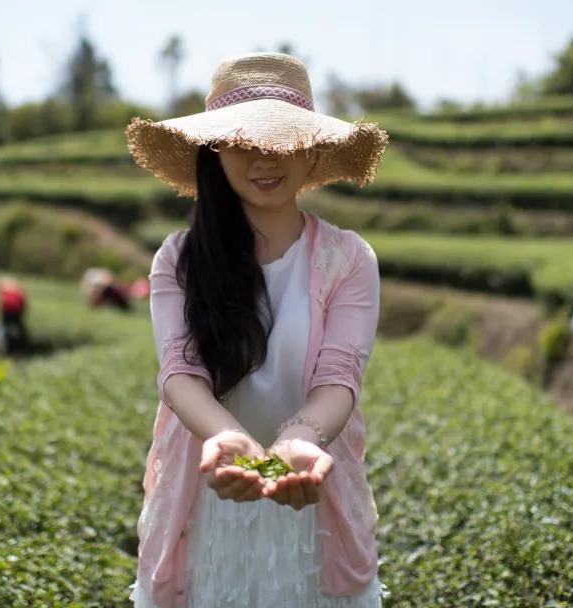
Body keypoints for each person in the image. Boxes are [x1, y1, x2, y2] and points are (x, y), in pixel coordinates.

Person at [125, 52, 389, 607]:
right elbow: (179, 372)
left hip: (311, 492)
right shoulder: (180, 258)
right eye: (241, 142)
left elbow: (339, 377)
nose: (264, 159)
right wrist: (227, 439)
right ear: (214, 152)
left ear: (313, 150)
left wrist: (297, 439)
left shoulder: (347, 259)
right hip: (207, 498)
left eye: (284, 141)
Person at [0, 275, 29, 354]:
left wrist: (1, 312)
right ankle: (22, 346)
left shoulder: (4, 288)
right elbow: (23, 301)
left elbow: (1, 302)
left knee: (6, 328)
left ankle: (7, 348)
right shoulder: (17, 288)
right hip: (17, 312)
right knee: (19, 328)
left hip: (7, 312)